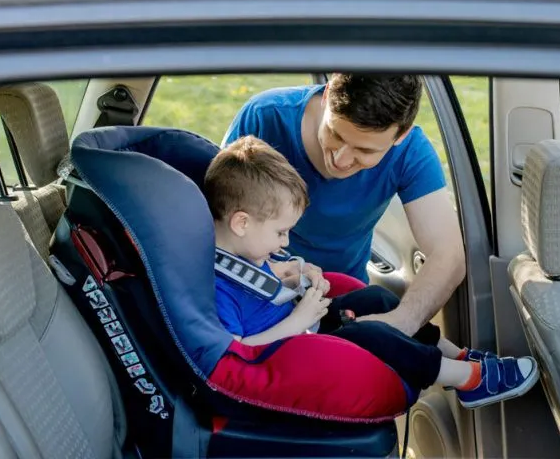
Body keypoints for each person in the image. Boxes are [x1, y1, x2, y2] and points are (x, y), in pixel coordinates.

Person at [204, 136, 539, 409]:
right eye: (280, 233)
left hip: (304, 327)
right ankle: (469, 379)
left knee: (378, 298)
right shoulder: (218, 288)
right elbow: (235, 353)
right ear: (241, 223)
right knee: (372, 335)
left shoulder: (242, 252)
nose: (285, 241)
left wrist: (298, 275)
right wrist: (298, 319)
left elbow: (265, 286)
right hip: (289, 354)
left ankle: (458, 355)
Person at [222, 74, 464, 337]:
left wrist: (403, 321)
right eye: (335, 133)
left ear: (401, 135)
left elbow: (448, 253)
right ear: (326, 96)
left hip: (343, 296)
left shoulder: (411, 151)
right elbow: (214, 217)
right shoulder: (264, 117)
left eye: (365, 150)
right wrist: (270, 269)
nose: (341, 159)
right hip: (257, 300)